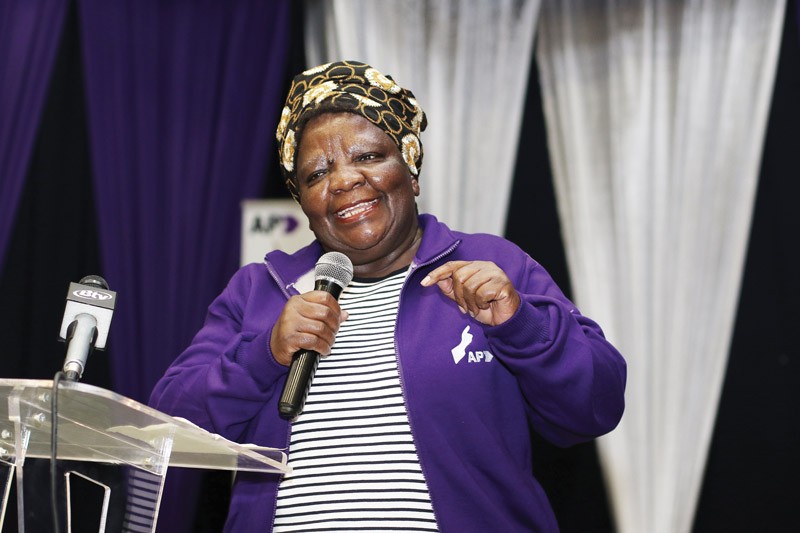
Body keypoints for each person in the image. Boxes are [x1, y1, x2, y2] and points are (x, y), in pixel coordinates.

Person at [149, 60, 626, 532]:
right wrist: (265, 354)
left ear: (410, 168)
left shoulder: (491, 263)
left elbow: (595, 406)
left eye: (367, 157)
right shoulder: (260, 289)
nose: (343, 180)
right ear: (303, 201)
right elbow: (170, 429)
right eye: (316, 174)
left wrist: (521, 324)